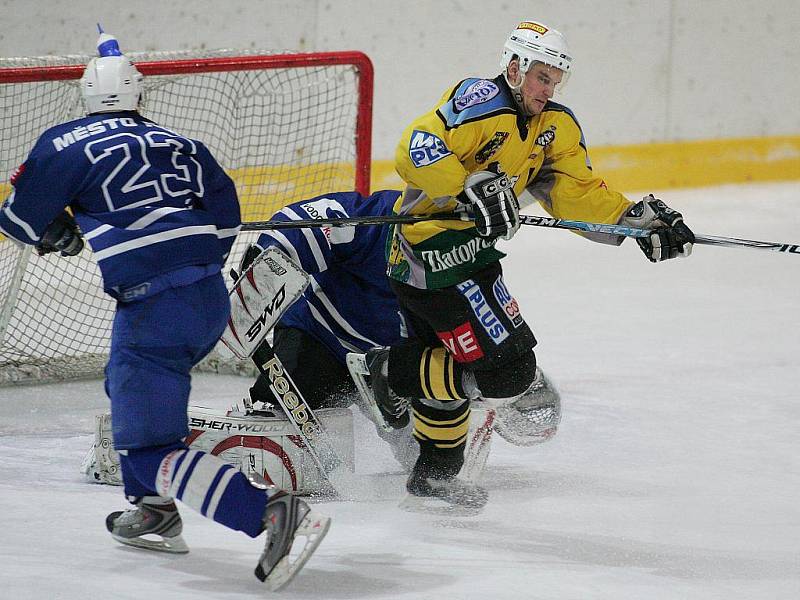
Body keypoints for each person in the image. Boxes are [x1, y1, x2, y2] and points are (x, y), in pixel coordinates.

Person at [0, 30, 328, 590]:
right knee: (123, 386)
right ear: (139, 95)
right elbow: (226, 221)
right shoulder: (183, 143)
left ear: (85, 95)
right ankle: (153, 510)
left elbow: (20, 223)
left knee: (151, 445)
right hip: (206, 299)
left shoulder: (64, 143)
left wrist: (59, 229)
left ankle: (269, 512)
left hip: (153, 309)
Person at [365, 20, 695, 511]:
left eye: (555, 79)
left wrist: (633, 221)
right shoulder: (479, 100)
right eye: (541, 76)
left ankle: (433, 475)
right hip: (429, 256)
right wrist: (467, 184)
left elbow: (575, 194)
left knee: (455, 370)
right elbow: (414, 147)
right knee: (509, 372)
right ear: (515, 67)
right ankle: (388, 372)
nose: (548, 88)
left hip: (474, 259)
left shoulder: (555, 127)